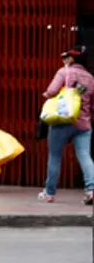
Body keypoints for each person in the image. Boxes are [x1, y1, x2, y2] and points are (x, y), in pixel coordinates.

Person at [40, 44, 94, 204]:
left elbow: (51, 91)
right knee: (85, 155)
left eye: (67, 56)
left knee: (55, 155)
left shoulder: (64, 72)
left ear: (72, 58)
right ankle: (91, 190)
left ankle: (49, 193)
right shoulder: (90, 78)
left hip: (62, 121)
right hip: (83, 124)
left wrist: (47, 95)